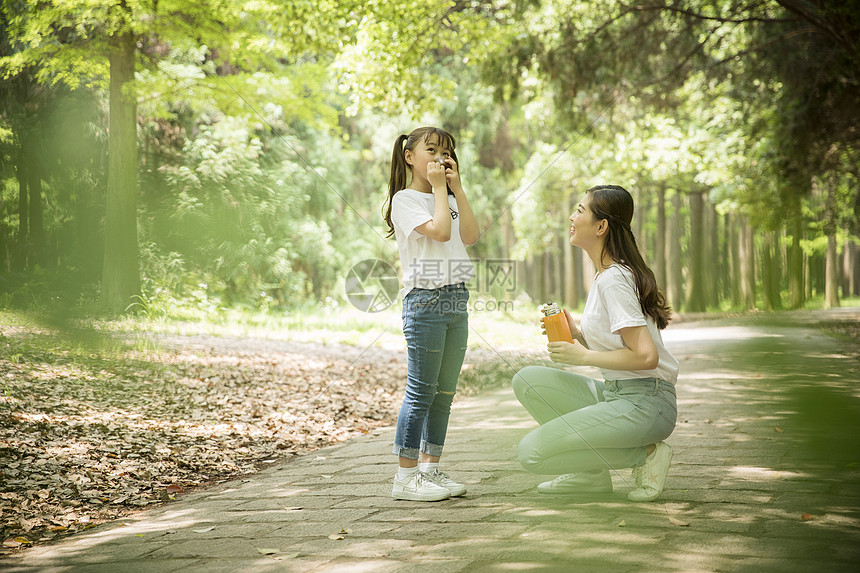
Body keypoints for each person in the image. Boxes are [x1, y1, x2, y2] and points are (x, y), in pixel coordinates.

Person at [512, 184, 678, 502]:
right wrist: (577, 334)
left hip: (647, 403)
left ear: (601, 226)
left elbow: (646, 357)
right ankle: (590, 476)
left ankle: (645, 454)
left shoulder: (614, 279)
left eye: (580, 210)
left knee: (531, 453)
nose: (572, 217)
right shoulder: (606, 275)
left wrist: (584, 356)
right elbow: (621, 343)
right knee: (528, 381)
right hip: (617, 394)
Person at [383, 127, 479, 501]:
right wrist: (441, 190)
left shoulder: (448, 197)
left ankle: (430, 469)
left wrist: (458, 189)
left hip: (456, 299)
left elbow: (468, 235)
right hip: (424, 301)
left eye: (447, 152)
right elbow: (440, 233)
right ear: (410, 156)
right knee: (421, 391)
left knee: (445, 393)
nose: (440, 157)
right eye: (432, 150)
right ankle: (405, 478)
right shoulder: (404, 200)